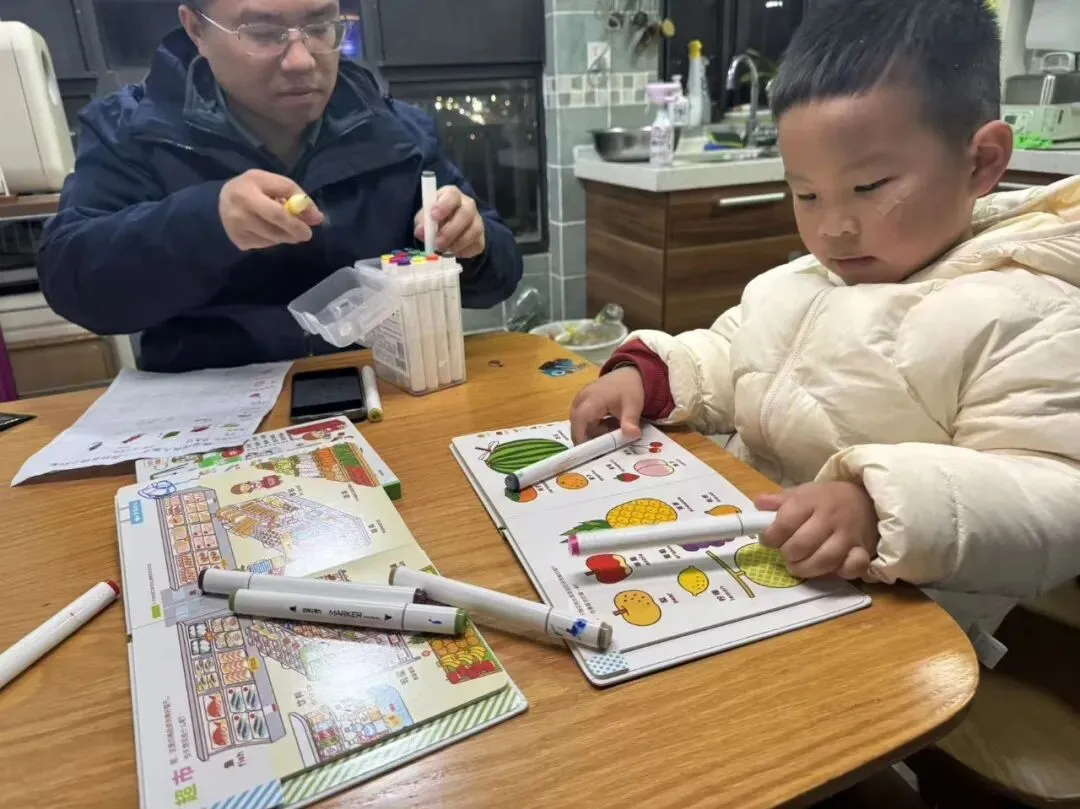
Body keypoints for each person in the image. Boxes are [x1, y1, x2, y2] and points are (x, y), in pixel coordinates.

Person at [569, 0, 1080, 627]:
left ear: (981, 162)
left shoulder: (1030, 310)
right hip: (756, 567)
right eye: (806, 193)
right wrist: (649, 374)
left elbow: (1054, 496)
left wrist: (878, 507)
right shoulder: (799, 281)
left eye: (869, 187)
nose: (833, 228)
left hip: (893, 617)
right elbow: (732, 355)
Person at [37, 0, 523, 372]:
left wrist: (472, 244)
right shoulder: (133, 130)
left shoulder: (400, 133)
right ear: (196, 29)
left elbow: (499, 275)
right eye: (263, 33)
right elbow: (75, 282)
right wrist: (206, 221)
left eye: (320, 26)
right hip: (210, 413)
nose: (301, 60)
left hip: (385, 389)